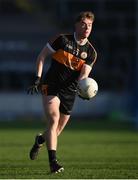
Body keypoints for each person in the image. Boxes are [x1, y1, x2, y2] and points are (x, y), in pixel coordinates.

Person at [28, 11, 97, 174]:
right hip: (51, 85)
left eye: (90, 25)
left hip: (70, 91)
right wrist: (37, 79)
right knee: (53, 120)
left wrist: (84, 90)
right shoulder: (62, 40)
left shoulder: (91, 53)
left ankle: (39, 140)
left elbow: (83, 76)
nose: (87, 28)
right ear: (76, 24)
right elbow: (41, 56)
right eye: (84, 24)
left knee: (56, 131)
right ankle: (53, 163)